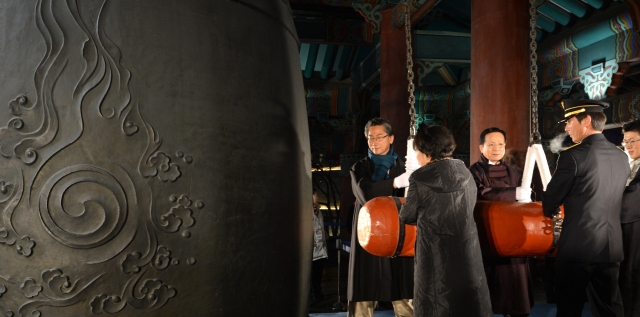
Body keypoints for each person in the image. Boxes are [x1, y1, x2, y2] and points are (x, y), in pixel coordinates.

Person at [542, 99, 629, 317]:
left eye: (569, 121)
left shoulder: (572, 156)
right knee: (610, 309)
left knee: (569, 309)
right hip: (611, 247)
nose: (566, 127)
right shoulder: (621, 156)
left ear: (587, 120)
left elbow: (550, 201)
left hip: (577, 249)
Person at [399, 124, 492, 317]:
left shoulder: (419, 177)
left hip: (435, 251)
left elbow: (407, 216)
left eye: (417, 151)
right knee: (468, 301)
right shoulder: (466, 173)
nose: (416, 156)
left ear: (426, 152)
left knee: (436, 301)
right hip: (467, 247)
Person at [348, 117, 414, 317]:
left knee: (403, 283)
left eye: (380, 137)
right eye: (370, 138)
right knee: (364, 284)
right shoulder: (360, 167)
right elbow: (366, 193)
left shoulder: (405, 167)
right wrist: (395, 183)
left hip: (398, 232)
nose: (374, 142)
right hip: (367, 231)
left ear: (391, 138)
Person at [468, 127, 534, 317]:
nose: (496, 148)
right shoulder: (474, 171)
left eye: (500, 144)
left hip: (514, 232)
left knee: (515, 278)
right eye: (491, 144)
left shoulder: (515, 171)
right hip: (488, 231)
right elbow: (478, 194)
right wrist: (513, 193)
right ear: (481, 147)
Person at [620, 119, 640, 316]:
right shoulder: (624, 165)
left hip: (636, 223)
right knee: (624, 272)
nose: (628, 145)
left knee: (634, 273)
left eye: (633, 140)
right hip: (621, 225)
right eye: (625, 141)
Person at [311, 188, 328, 305]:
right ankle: (313, 296)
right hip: (312, 250)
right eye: (315, 195)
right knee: (312, 275)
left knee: (318, 274)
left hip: (321, 249)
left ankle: (318, 294)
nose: (317, 197)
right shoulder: (307, 210)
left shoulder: (319, 211)